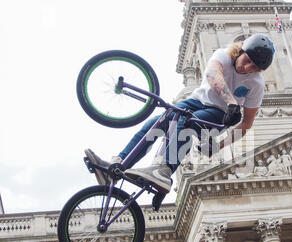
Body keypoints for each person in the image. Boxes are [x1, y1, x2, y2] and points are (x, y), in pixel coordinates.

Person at [85, 34, 275, 194]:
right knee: (158, 122)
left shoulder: (256, 85)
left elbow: (246, 124)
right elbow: (212, 75)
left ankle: (164, 172)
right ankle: (117, 166)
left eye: (255, 68)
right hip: (197, 100)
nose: (248, 68)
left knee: (188, 121)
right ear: (241, 50)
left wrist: (219, 145)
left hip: (219, 115)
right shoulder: (224, 56)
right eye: (247, 61)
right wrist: (232, 102)